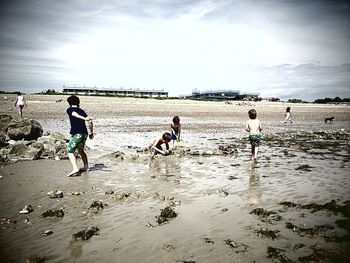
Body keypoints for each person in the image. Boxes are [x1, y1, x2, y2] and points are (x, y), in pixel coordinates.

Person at [66, 95, 94, 177]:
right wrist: (91, 133)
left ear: (69, 103)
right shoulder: (82, 111)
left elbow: (74, 114)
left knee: (70, 150)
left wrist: (84, 119)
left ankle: (75, 169)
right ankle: (86, 167)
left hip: (77, 134)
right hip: (84, 134)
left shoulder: (70, 109)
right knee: (81, 150)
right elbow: (90, 122)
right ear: (78, 102)